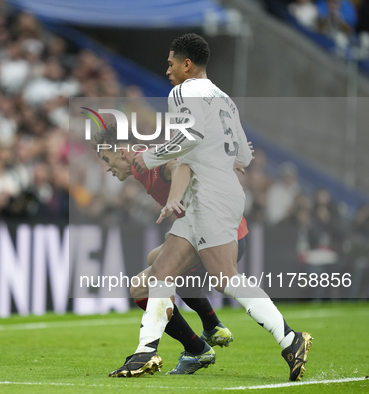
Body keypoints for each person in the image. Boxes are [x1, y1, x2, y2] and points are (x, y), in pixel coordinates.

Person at [112, 33, 312, 381]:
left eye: (172, 63)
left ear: (187, 65)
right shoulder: (224, 99)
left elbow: (190, 135)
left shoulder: (183, 91)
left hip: (210, 196)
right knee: (159, 274)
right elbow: (245, 156)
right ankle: (145, 352)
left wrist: (148, 156)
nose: (168, 70)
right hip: (215, 192)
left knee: (224, 278)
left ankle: (290, 338)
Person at [93, 125, 251, 375]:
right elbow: (189, 154)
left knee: (143, 286)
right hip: (220, 232)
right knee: (156, 258)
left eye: (106, 158)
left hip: (217, 236)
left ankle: (195, 349)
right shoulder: (147, 159)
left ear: (122, 152)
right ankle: (211, 326)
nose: (106, 167)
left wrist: (173, 199)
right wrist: (225, 160)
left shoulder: (146, 163)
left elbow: (179, 164)